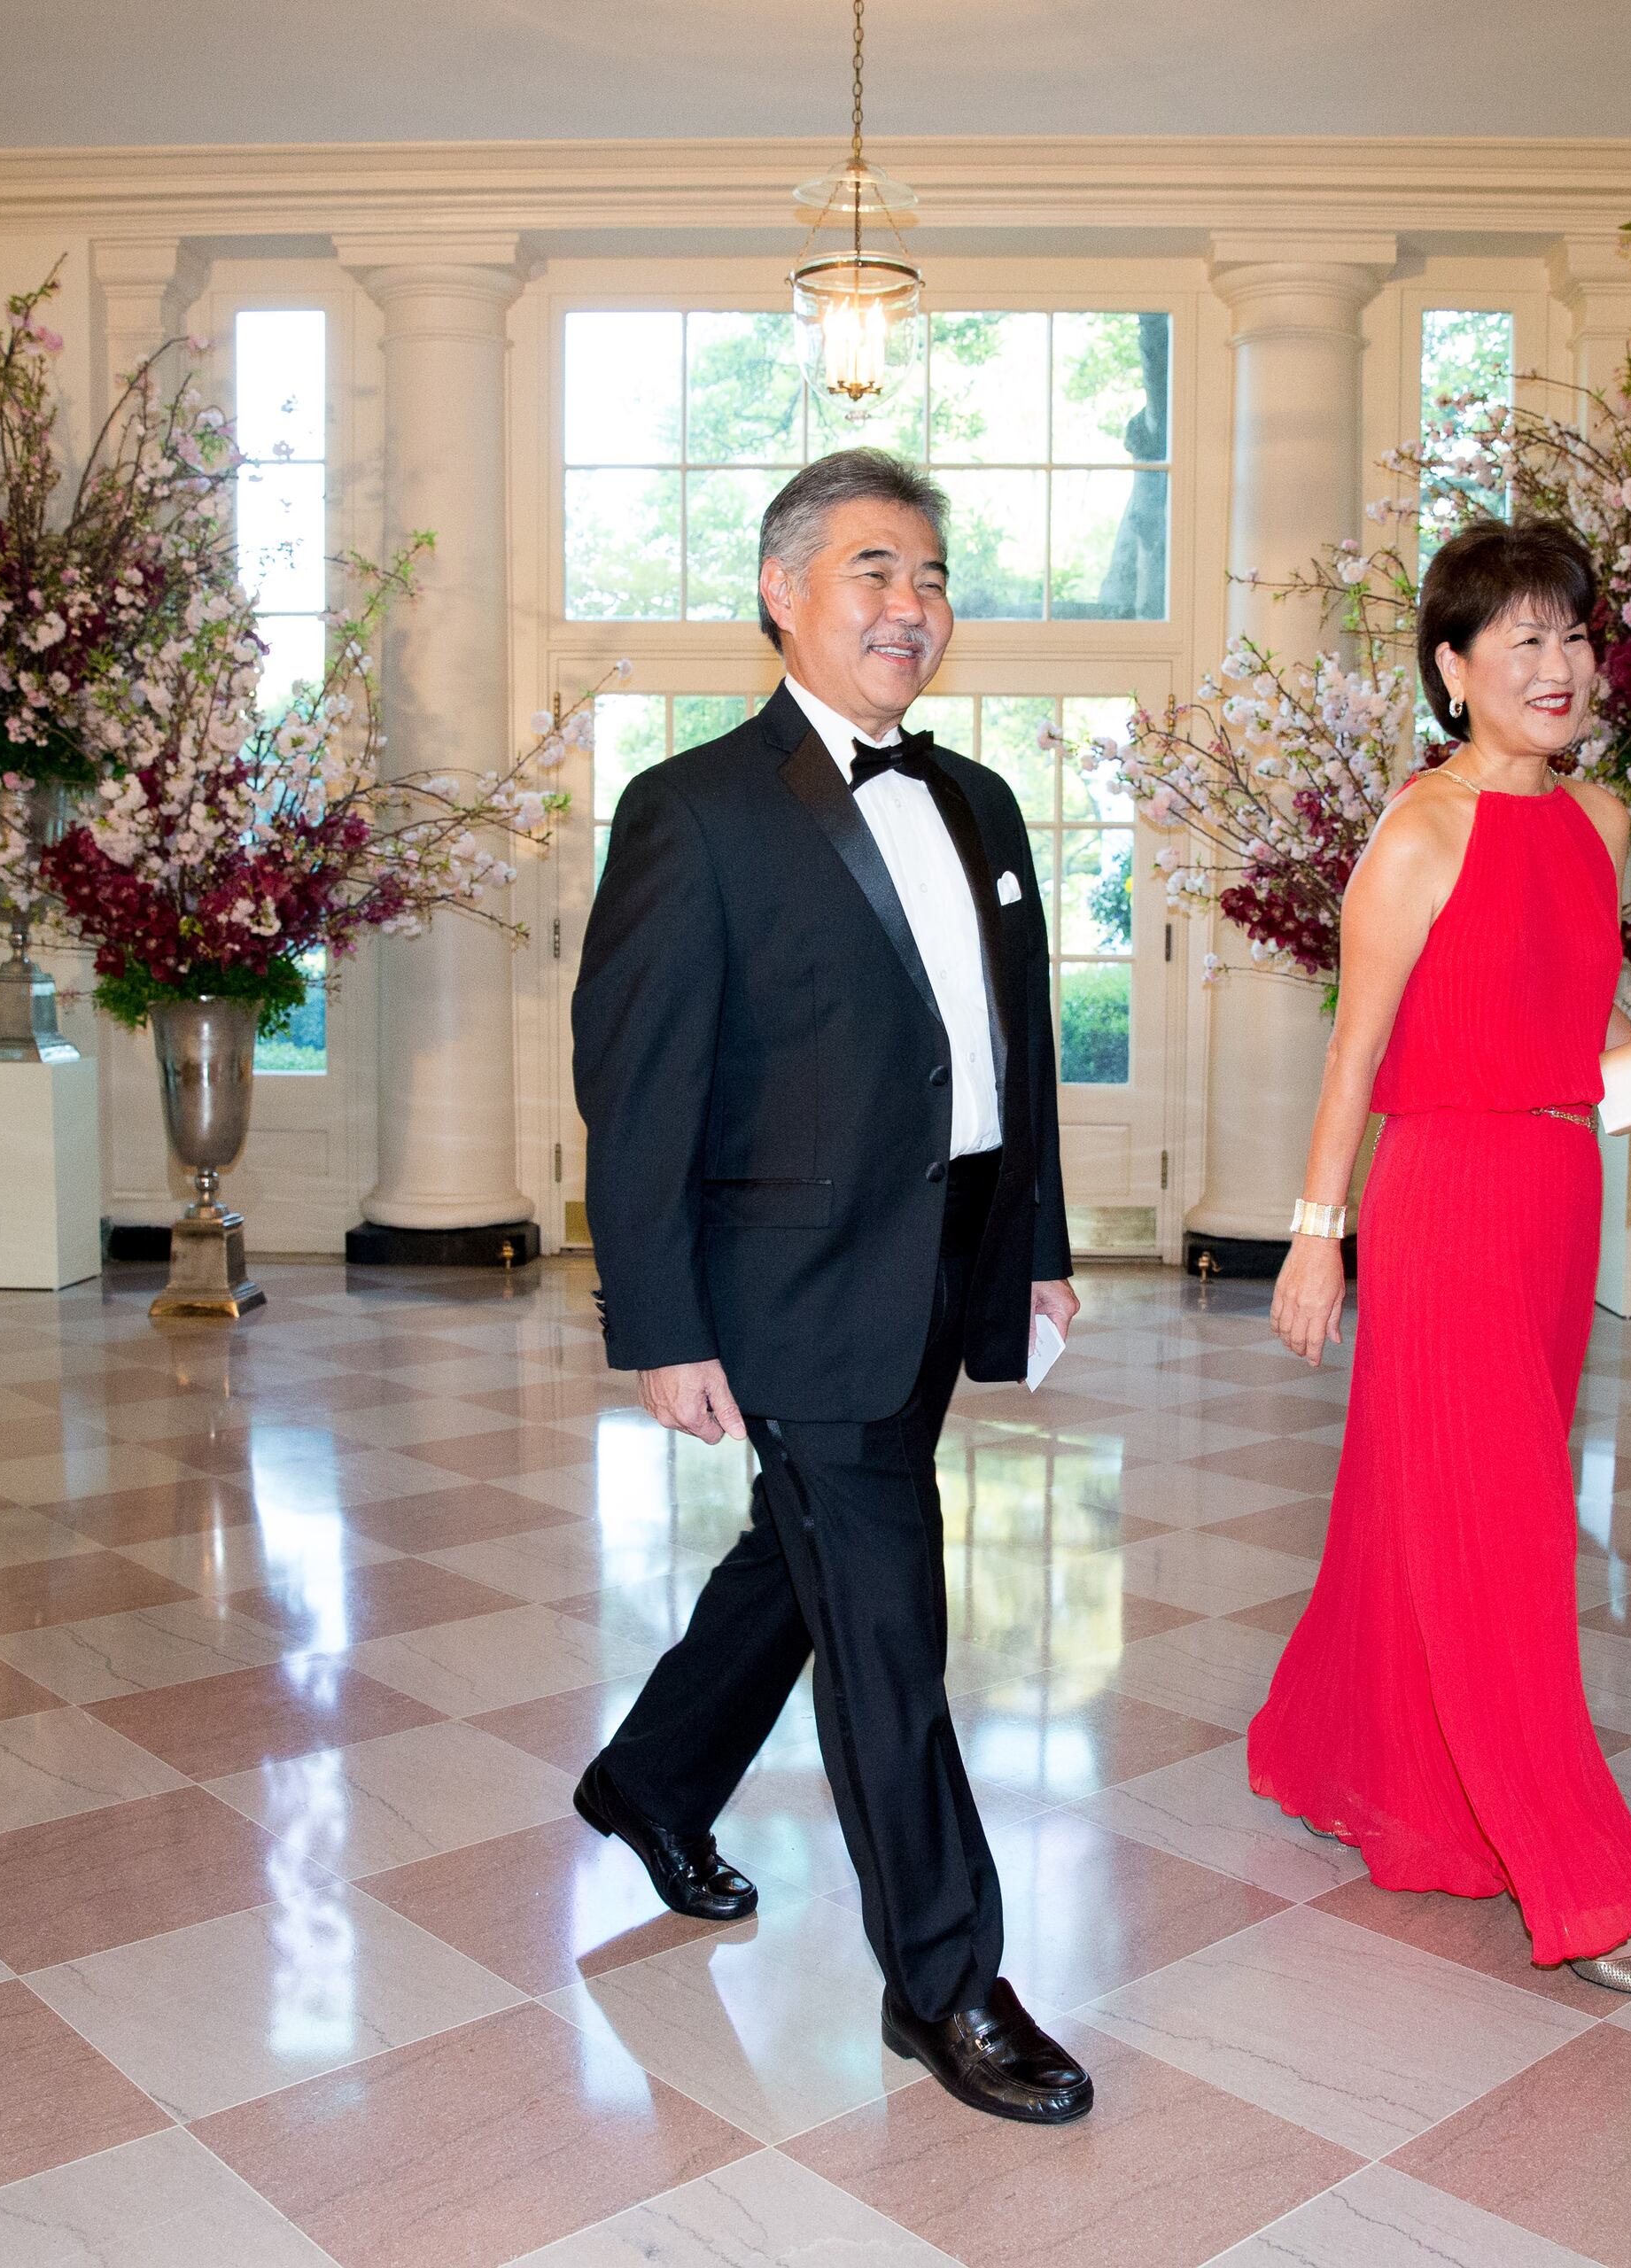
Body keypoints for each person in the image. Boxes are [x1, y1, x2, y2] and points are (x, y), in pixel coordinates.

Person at [570, 447, 1093, 2124]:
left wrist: (1039, 1251)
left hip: (942, 1263)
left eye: (932, 577)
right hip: (786, 1280)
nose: (910, 606)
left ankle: (650, 1775)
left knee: (800, 1567)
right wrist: (659, 1323)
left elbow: (1017, 1062)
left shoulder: (985, 805)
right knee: (888, 1628)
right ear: (784, 593)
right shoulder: (695, 810)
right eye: (875, 571)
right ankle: (945, 1981)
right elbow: (635, 1084)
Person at [1247, 517, 1631, 1998]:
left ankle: (1334, 1749)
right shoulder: (1419, 830)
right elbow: (1358, 1052)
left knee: (1425, 1507)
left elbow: (1583, 1023)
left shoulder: (1593, 824)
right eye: (1523, 641)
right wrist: (1318, 1238)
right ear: (1453, 670)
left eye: (1574, 636)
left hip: (1557, 1187)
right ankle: (1577, 1881)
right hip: (1446, 1196)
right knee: (1506, 1538)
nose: (1560, 665)